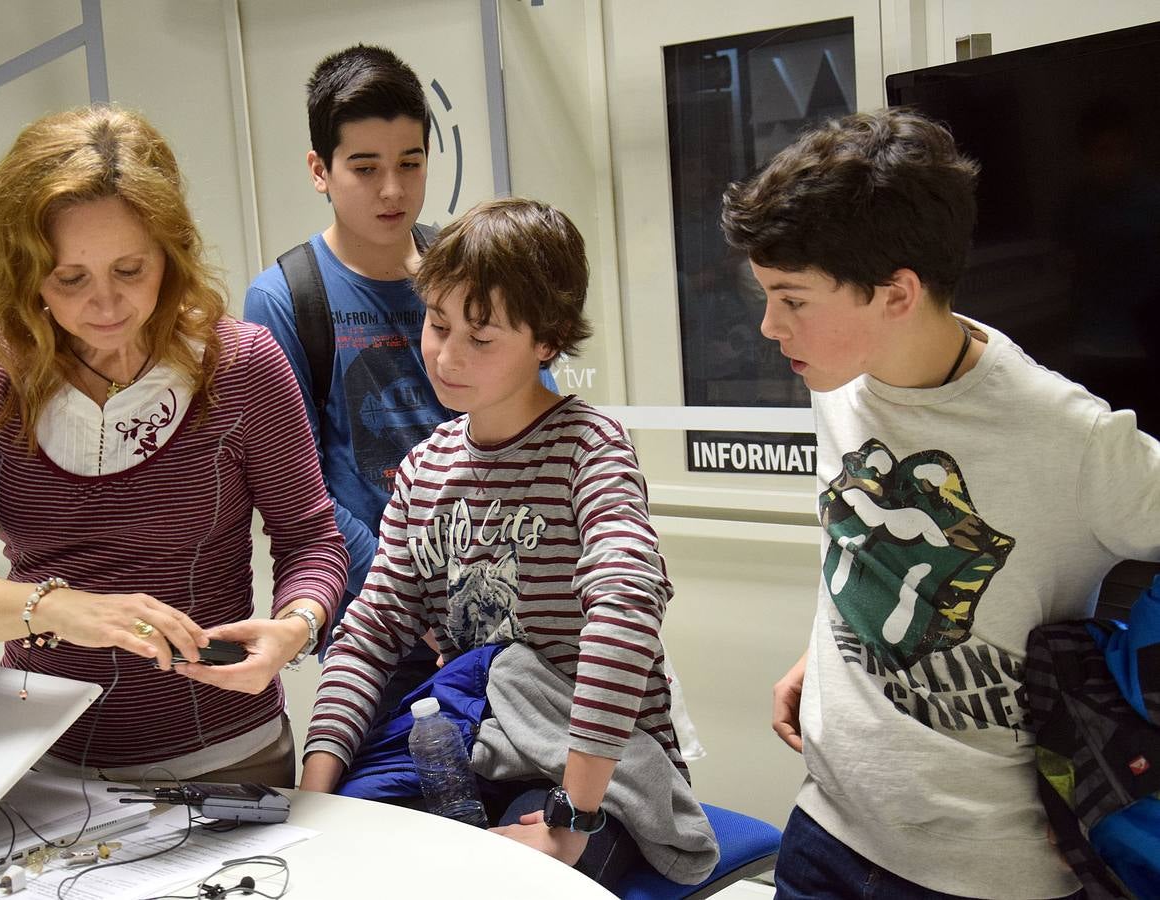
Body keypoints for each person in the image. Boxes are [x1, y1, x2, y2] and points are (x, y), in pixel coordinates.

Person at [720, 108, 1160, 899]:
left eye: (791, 299)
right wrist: (828, 646)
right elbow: (862, 538)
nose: (767, 325)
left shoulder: (1071, 437)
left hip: (985, 874)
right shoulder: (835, 375)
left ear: (896, 294)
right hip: (825, 827)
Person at [0, 105, 348, 788]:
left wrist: (295, 625)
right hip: (41, 763)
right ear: (24, 271)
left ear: (171, 252)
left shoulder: (241, 365)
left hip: (228, 756)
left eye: (130, 270)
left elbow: (312, 540)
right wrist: (56, 608)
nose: (104, 305)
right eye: (69, 278)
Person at [299, 198, 711, 889]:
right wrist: (314, 796)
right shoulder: (427, 467)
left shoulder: (588, 449)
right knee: (353, 860)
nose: (447, 355)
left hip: (584, 769)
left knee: (504, 881)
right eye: (437, 325)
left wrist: (574, 816)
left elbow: (624, 611)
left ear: (546, 340)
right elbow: (369, 634)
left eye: (481, 339)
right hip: (475, 746)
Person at [243, 45, 555, 687]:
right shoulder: (284, 298)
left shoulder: (473, 267)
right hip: (380, 616)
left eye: (410, 163)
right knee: (387, 780)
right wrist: (409, 596)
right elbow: (301, 487)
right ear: (319, 170)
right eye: (365, 168)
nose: (393, 189)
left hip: (503, 598)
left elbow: (537, 421)